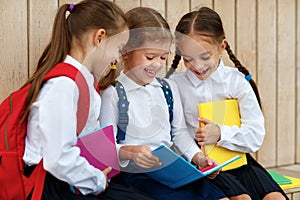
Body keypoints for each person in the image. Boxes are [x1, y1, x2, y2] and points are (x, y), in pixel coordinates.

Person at [99, 7, 228, 200]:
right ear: (125, 52)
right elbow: (105, 147)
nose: (157, 65)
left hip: (172, 172)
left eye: (163, 57)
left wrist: (198, 157)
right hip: (137, 177)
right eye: (150, 57)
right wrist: (131, 152)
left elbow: (179, 133)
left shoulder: (168, 88)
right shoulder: (114, 93)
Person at [168, 7, 288, 200]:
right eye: (188, 59)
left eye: (205, 57)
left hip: (239, 161)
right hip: (202, 164)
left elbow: (255, 135)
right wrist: (197, 157)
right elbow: (178, 132)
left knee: (276, 198)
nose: (197, 66)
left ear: (222, 46)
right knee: (242, 199)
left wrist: (220, 133)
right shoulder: (176, 84)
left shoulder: (236, 81)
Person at [22, 0, 130, 199]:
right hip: (50, 185)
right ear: (100, 37)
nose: (118, 58)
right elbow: (58, 158)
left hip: (73, 178)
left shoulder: (85, 82)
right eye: (119, 47)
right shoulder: (63, 85)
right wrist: (97, 181)